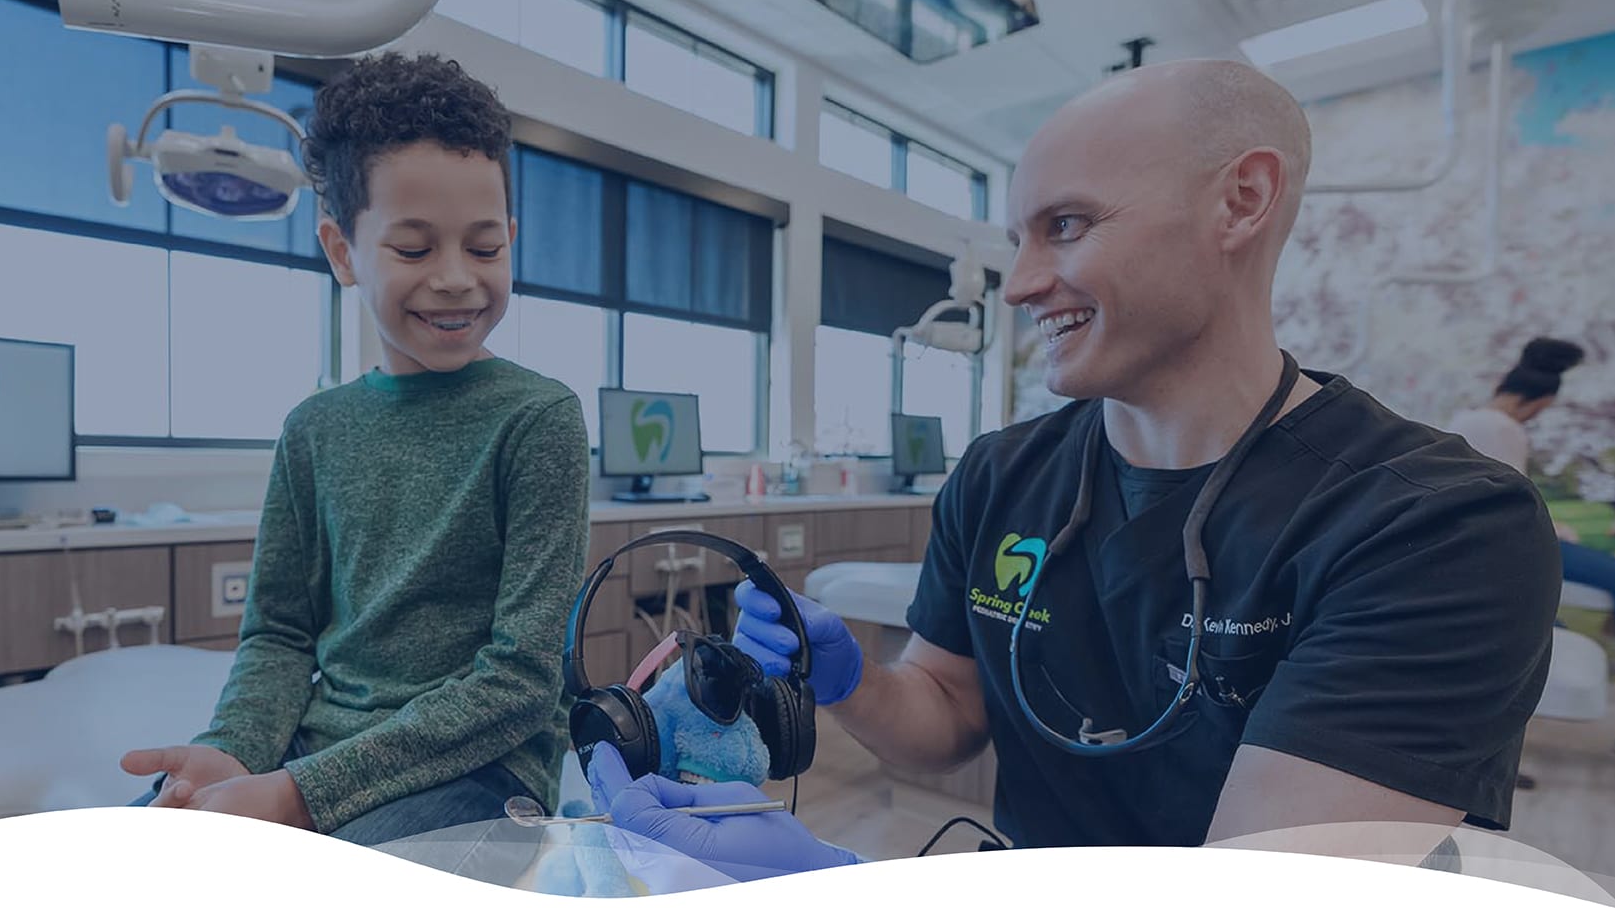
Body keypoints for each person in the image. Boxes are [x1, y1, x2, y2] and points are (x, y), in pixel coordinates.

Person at [584, 58, 1561, 879]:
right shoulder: (999, 475)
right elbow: (947, 716)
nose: (1018, 285)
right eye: (1019, 238)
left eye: (1067, 225)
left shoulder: (1435, 526)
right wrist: (850, 683)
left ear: (1240, 201)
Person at [119, 52, 593, 845]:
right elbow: (278, 635)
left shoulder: (539, 419)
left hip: (480, 768)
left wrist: (298, 796)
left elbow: (520, 680)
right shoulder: (314, 429)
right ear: (342, 250)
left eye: (483, 249)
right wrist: (231, 748)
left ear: (510, 237)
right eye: (413, 249)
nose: (455, 279)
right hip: (312, 747)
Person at [1446, 337, 1615, 605]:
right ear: (1541, 402)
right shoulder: (1504, 428)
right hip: (1513, 542)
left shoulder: (1463, 419)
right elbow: (1518, 504)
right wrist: (1556, 530)